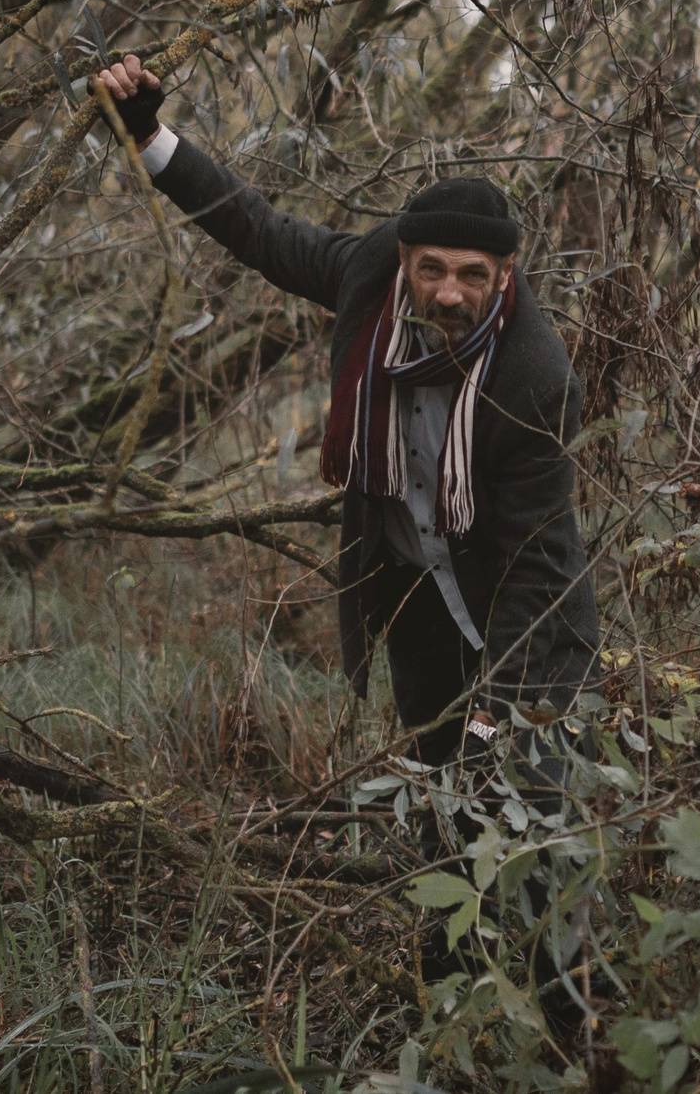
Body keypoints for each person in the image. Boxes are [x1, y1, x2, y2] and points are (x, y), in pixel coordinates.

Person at [89, 54, 600, 769]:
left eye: (471, 275)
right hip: (421, 607)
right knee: (438, 811)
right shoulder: (368, 276)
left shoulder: (535, 378)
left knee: (532, 816)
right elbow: (259, 230)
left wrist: (496, 710)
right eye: (432, 269)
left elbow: (537, 563)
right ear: (404, 260)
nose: (448, 294)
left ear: (504, 275)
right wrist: (146, 136)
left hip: (527, 626)